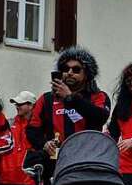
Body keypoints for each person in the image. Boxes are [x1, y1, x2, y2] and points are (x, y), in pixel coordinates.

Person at [26, 47, 111, 176]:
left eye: (76, 69)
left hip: (86, 163)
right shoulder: (46, 99)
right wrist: (44, 144)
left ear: (87, 74)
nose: (70, 72)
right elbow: (32, 130)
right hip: (54, 165)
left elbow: (100, 117)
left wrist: (70, 97)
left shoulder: (98, 96)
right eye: (65, 69)